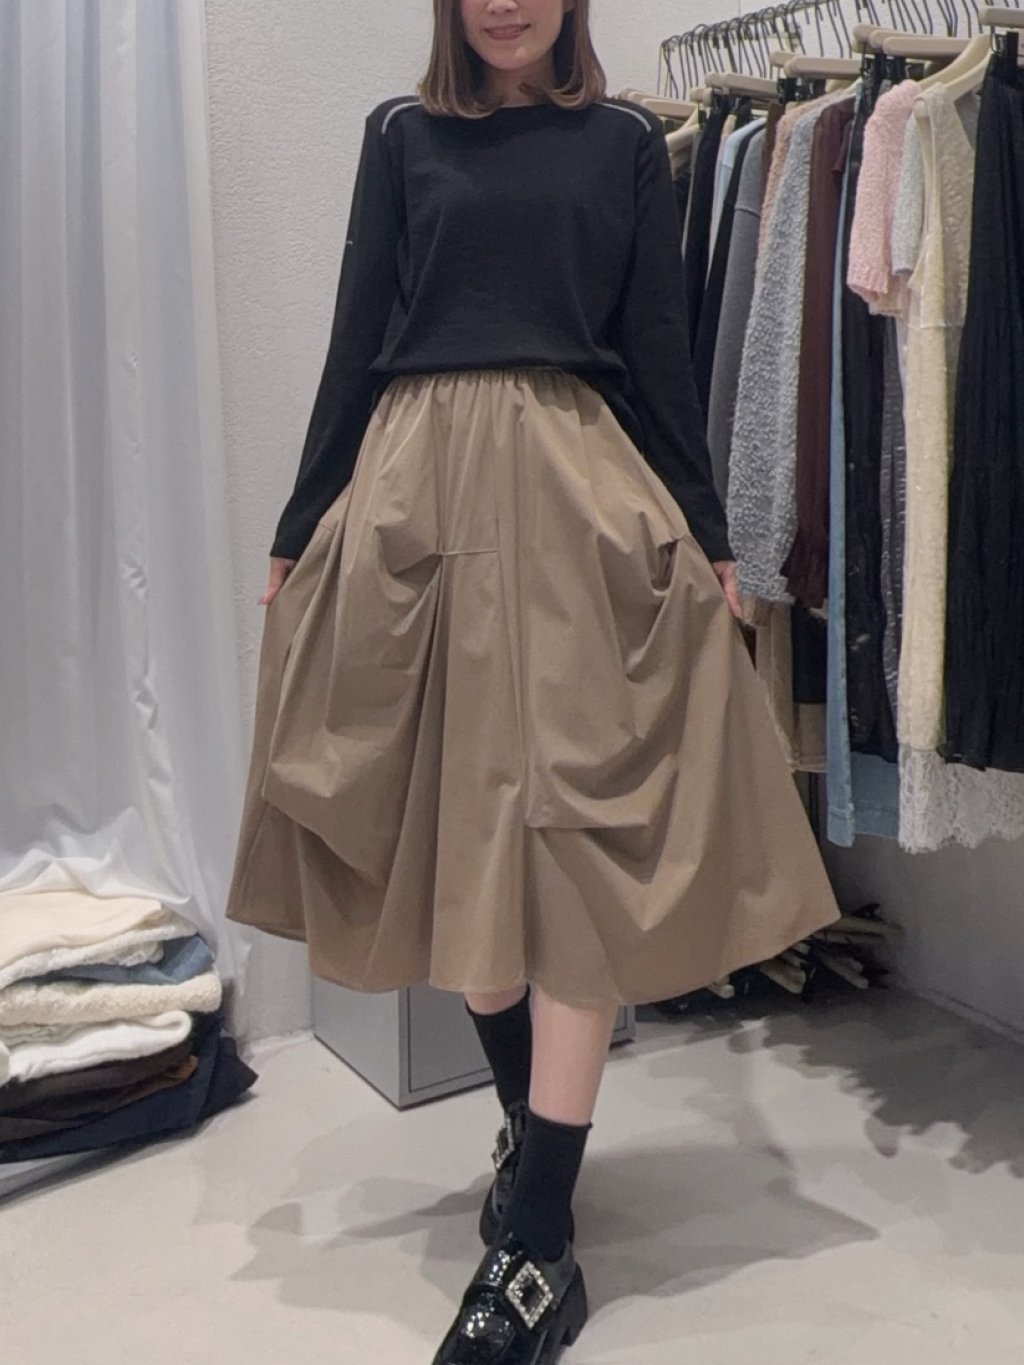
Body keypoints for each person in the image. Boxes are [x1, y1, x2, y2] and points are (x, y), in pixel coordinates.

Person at [226, 2, 839, 1360]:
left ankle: (540, 1234)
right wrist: (300, 522)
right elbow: (355, 336)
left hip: (577, 499)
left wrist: (709, 531)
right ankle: (527, 1137)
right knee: (465, 854)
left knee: (574, 858)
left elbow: (656, 344)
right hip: (416, 498)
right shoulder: (401, 136)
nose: (505, 2)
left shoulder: (622, 143)